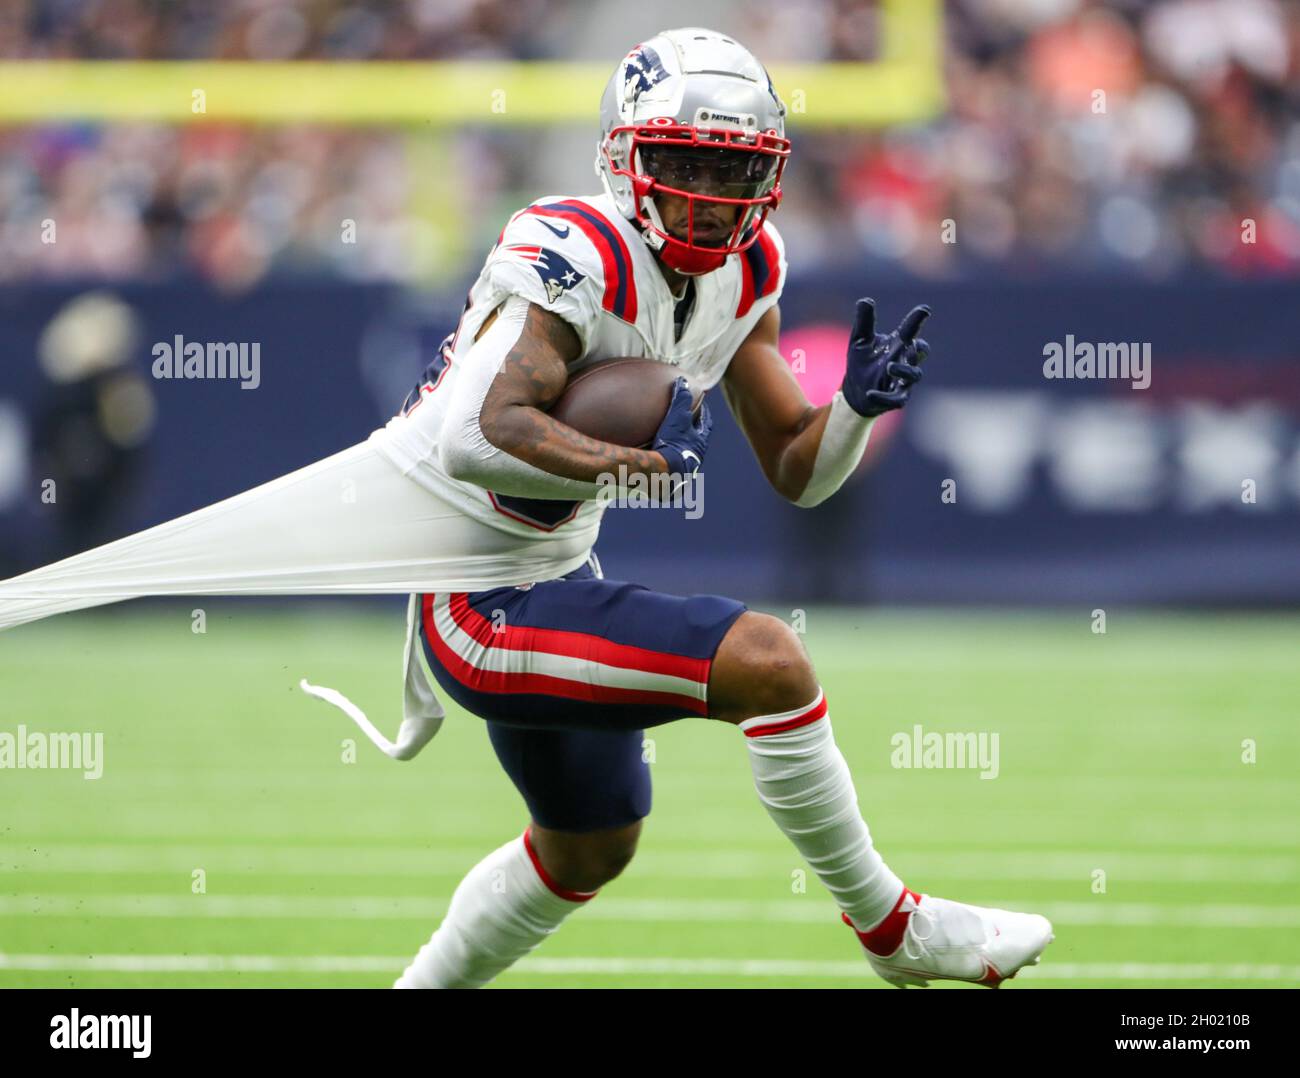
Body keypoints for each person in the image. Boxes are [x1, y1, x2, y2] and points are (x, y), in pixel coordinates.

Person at [383, 27, 1054, 989]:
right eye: (688, 161)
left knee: (590, 846)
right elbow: (472, 436)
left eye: (739, 170)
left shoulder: (747, 270)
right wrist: (629, 461)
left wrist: (852, 415)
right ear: (625, 156)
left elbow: (795, 466)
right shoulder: (573, 251)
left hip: (558, 571)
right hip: (474, 595)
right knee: (772, 663)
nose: (714, 193)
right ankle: (896, 932)